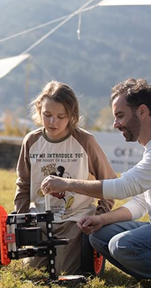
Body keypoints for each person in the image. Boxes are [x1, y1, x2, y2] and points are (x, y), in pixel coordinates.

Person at [42, 78, 151, 282]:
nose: (115, 124)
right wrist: (102, 219)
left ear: (142, 112)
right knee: (98, 237)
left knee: (121, 244)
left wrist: (68, 184)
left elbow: (123, 187)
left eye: (120, 116)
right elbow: (142, 202)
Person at [14, 81, 116, 275]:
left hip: (75, 219)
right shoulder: (31, 141)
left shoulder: (85, 141)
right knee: (34, 272)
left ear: (72, 115)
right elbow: (23, 184)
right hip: (41, 219)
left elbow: (109, 182)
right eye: (48, 115)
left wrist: (99, 217)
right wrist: (22, 217)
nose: (53, 122)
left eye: (61, 116)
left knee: (65, 273)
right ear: (39, 110)